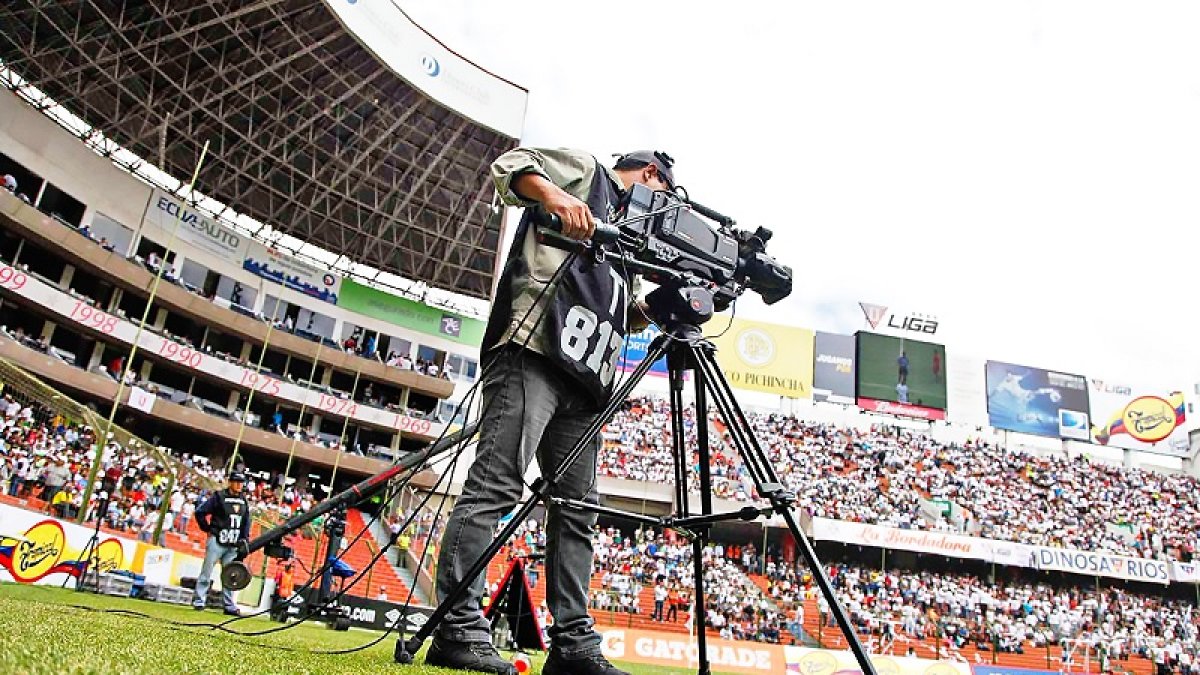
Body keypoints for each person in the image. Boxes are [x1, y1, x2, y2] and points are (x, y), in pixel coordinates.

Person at [426, 148, 674, 675]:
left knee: (578, 509)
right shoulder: (588, 171)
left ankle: (573, 647)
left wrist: (657, 307)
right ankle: (457, 629)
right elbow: (510, 163)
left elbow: (618, 312)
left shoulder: (629, 232)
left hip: (585, 374)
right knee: (497, 484)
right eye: (666, 197)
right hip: (535, 347)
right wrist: (558, 195)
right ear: (652, 176)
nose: (664, 209)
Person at [191, 473, 251, 615]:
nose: (239, 485)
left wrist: (244, 539)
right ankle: (199, 600)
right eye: (236, 482)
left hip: (233, 544)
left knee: (231, 575)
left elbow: (246, 521)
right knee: (206, 572)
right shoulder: (219, 497)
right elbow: (200, 512)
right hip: (217, 540)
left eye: (241, 482)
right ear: (230, 483)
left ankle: (229, 605)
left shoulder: (244, 500)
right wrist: (207, 529)